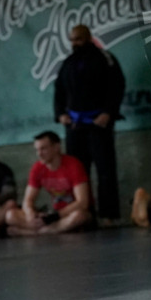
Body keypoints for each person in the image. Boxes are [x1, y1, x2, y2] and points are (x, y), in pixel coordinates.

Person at [54, 24, 125, 224]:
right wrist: (60, 114)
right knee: (78, 173)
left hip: (98, 123)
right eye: (72, 40)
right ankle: (86, 216)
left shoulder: (105, 58)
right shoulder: (67, 63)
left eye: (78, 39)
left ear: (88, 38)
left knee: (105, 170)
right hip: (75, 126)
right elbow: (59, 91)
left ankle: (109, 216)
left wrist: (108, 112)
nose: (74, 43)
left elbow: (117, 86)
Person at [6, 131, 93, 235]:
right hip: (52, 216)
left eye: (44, 149)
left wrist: (55, 216)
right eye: (37, 150)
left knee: (80, 216)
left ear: (56, 147)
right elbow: (28, 200)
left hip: (68, 213)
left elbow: (82, 203)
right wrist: (31, 215)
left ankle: (35, 232)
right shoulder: (37, 168)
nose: (39, 154)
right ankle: (50, 230)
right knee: (10, 215)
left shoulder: (73, 165)